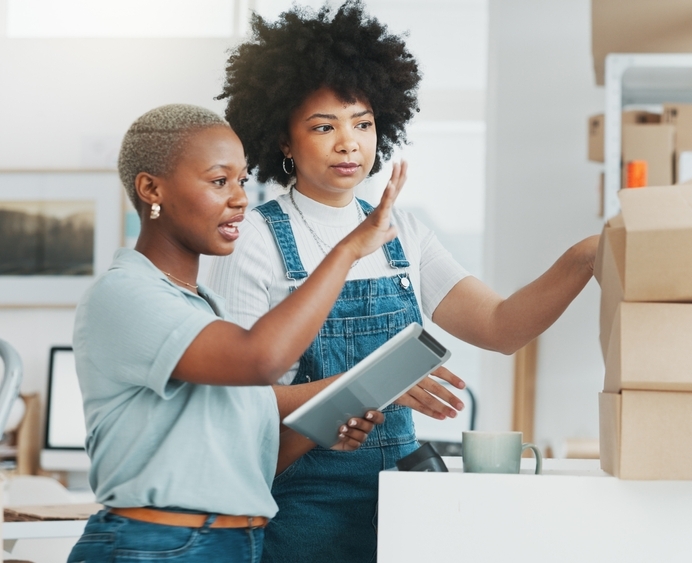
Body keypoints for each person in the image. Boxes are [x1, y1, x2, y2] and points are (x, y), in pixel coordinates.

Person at [207, 3, 599, 561]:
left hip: (408, 495)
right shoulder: (254, 240)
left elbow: (501, 326)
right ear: (283, 141)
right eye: (324, 126)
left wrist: (583, 258)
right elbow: (235, 402)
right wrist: (371, 384)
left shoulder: (404, 235)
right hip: (305, 503)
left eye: (362, 123)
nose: (349, 143)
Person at [67, 103, 407, 562]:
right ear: (151, 188)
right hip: (156, 547)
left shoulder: (207, 310)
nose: (240, 198)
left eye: (242, 181)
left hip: (234, 543)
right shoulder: (124, 295)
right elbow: (260, 360)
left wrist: (324, 423)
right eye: (218, 181)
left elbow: (247, 459)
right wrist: (349, 250)